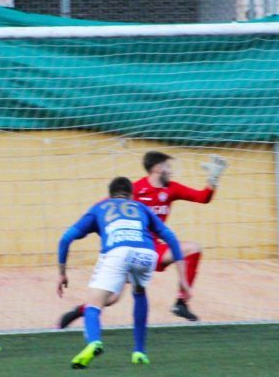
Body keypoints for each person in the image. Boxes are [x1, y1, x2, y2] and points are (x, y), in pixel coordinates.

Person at [57, 151, 226, 327]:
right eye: (168, 166)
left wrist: (213, 179)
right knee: (111, 298)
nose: (171, 170)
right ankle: (79, 311)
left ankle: (180, 303)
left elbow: (202, 197)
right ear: (158, 168)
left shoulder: (172, 189)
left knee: (194, 248)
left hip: (155, 249)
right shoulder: (136, 189)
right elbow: (105, 205)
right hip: (131, 247)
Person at [57, 177, 190, 369]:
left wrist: (62, 273)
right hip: (146, 253)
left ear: (110, 194)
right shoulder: (141, 207)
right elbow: (170, 237)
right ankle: (139, 352)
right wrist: (183, 279)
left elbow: (65, 239)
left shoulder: (100, 208)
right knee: (139, 292)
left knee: (94, 304)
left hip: (118, 252)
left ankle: (94, 342)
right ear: (131, 194)